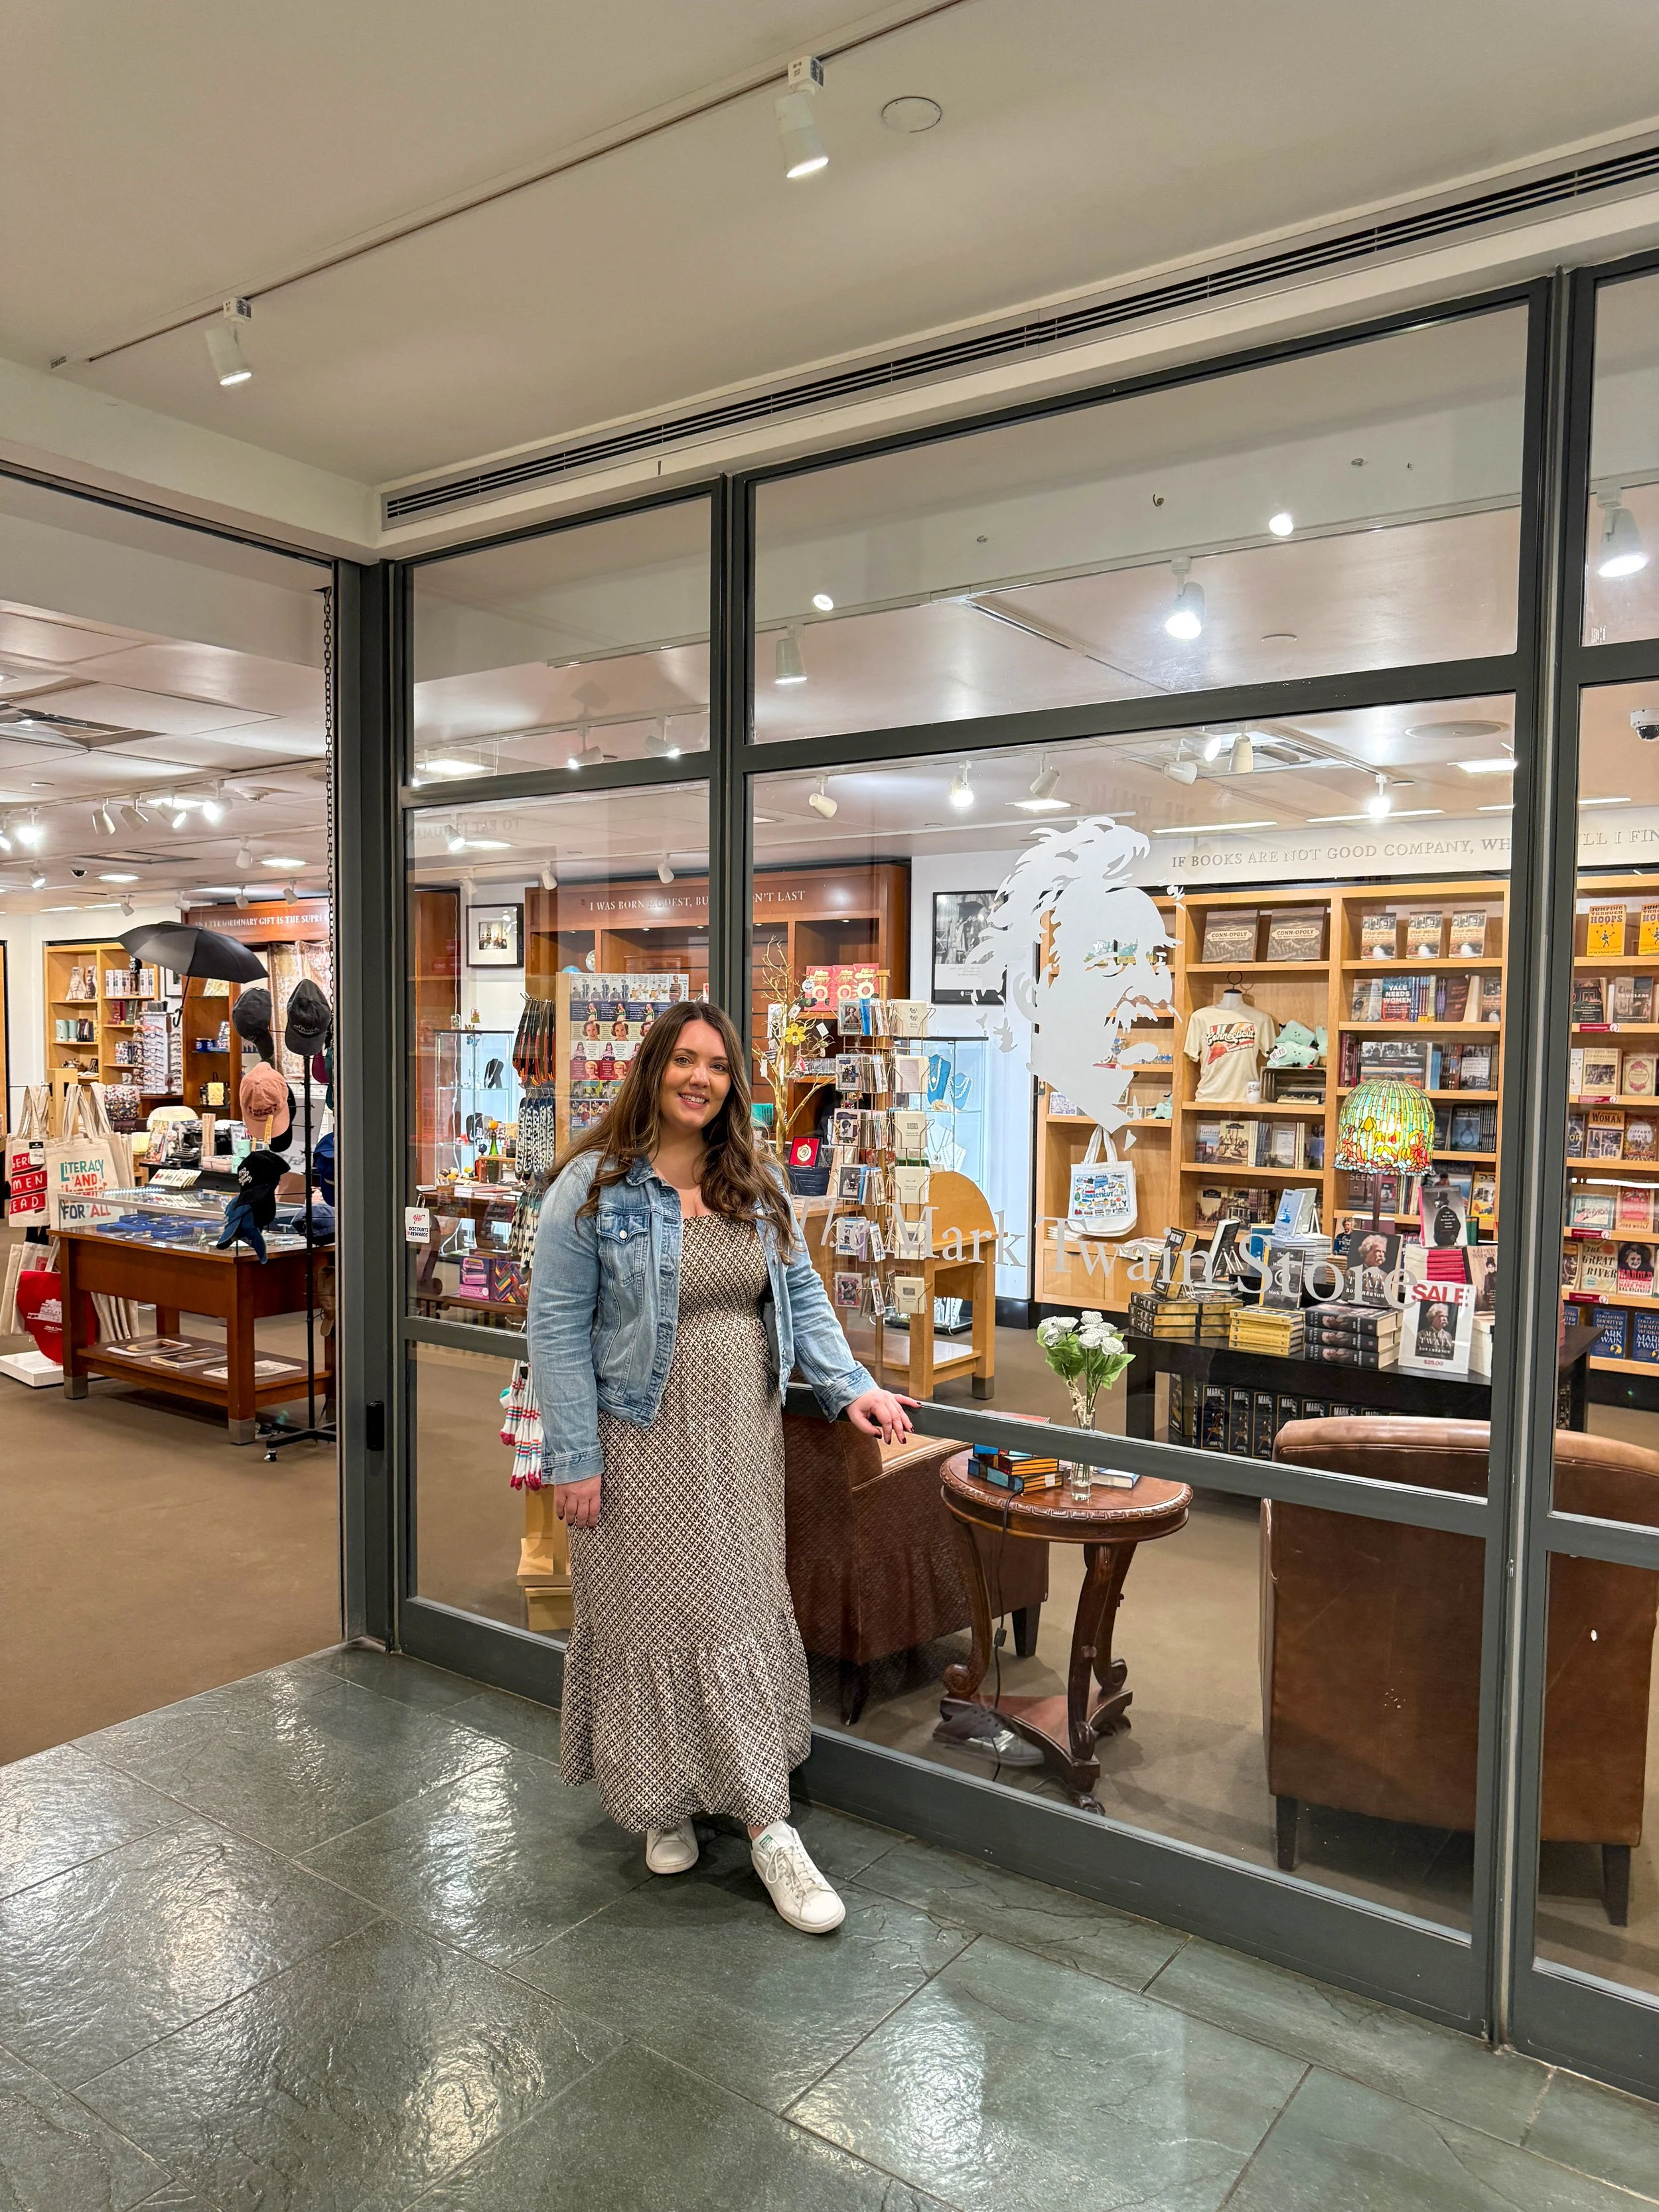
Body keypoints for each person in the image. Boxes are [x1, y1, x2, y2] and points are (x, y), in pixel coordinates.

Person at [528, 999, 914, 1935]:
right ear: (652, 1068)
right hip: (635, 1438)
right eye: (685, 1060)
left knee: (736, 1610)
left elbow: (802, 1293)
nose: (700, 1079)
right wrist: (573, 1458)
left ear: (732, 1083)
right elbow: (556, 1328)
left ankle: (769, 1826)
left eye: (717, 1065)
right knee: (648, 1616)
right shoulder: (590, 1187)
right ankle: (660, 1803)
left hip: (740, 1435)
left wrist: (850, 1385)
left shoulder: (754, 1180)